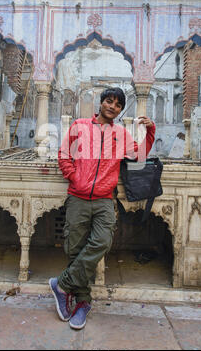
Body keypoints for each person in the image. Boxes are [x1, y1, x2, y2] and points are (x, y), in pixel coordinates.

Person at [49, 87, 156, 330]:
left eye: (118, 105)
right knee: (74, 249)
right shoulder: (80, 126)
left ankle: (61, 284)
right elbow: (64, 155)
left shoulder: (121, 134)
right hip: (78, 197)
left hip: (105, 199)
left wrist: (150, 131)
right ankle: (82, 303)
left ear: (120, 110)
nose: (112, 107)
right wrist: (75, 178)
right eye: (109, 101)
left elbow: (139, 156)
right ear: (101, 102)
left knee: (102, 242)